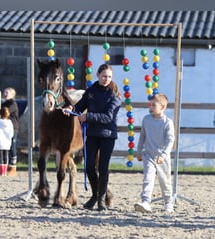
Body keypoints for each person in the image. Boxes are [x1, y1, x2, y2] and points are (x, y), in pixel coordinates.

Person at [63, 63, 121, 211]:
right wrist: (71, 109)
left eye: (109, 77)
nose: (106, 79)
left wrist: (88, 116)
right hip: (92, 134)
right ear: (98, 75)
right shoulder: (91, 91)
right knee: (89, 167)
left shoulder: (114, 95)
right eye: (103, 76)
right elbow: (80, 106)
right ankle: (95, 194)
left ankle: (101, 199)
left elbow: (108, 117)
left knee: (103, 168)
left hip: (107, 135)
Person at [134, 93, 175, 213]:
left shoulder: (167, 122)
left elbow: (170, 140)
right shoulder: (146, 120)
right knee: (148, 178)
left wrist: (163, 154)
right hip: (148, 155)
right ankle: (146, 201)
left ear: (163, 107)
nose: (150, 107)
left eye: (153, 105)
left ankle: (168, 203)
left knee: (165, 180)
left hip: (162, 157)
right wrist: (139, 150)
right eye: (150, 104)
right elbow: (143, 135)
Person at [0, 87, 19, 176]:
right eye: (4, 92)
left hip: (12, 127)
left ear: (12, 94)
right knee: (5, 146)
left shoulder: (12, 104)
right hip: (5, 127)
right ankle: (4, 166)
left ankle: (13, 166)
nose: (5, 94)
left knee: (12, 146)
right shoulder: (4, 103)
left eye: (7, 92)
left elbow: (6, 112)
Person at [0, 107, 14, 176]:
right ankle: (5, 171)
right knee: (6, 156)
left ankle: (1, 172)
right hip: (7, 142)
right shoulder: (10, 123)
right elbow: (11, 134)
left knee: (0, 157)